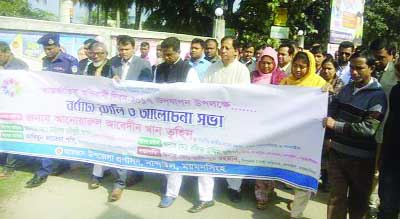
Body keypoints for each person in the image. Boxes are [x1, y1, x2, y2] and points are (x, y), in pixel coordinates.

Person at [324, 50, 387, 219]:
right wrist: (326, 95)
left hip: (361, 160)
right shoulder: (346, 89)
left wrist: (335, 125)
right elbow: (333, 110)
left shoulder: (378, 97)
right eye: (352, 68)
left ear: (372, 68)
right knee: (336, 199)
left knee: (358, 202)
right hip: (337, 154)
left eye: (359, 68)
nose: (354, 72)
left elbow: (368, 129)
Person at [25, 33, 78, 188]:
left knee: (62, 136)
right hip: (49, 105)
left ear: (57, 46)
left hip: (65, 106)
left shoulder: (70, 61)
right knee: (48, 135)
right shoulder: (44, 61)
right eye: (45, 49)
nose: (47, 51)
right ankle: (43, 171)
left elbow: (77, 84)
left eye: (50, 48)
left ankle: (62, 165)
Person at [156, 37, 203, 212]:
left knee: (175, 155)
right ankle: (169, 184)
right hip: (163, 118)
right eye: (164, 54)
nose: (166, 58)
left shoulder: (188, 70)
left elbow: (196, 96)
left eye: (169, 54)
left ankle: (171, 193)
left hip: (182, 120)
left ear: (177, 52)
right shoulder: (159, 69)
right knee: (165, 154)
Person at [104, 35, 152, 202]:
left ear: (134, 48)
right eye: (120, 49)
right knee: (119, 146)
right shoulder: (113, 63)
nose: (123, 52)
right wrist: (111, 81)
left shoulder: (144, 65)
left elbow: (147, 91)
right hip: (117, 113)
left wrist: (127, 87)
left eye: (126, 49)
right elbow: (106, 85)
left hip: (135, 114)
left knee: (135, 145)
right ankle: (119, 183)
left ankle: (137, 173)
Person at [280, 51, 327, 219]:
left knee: (304, 174)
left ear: (310, 67)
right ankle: (296, 201)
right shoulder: (285, 82)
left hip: (309, 138)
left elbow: (325, 108)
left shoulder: (319, 83)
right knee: (290, 172)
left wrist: (327, 92)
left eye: (302, 66)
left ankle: (296, 214)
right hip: (289, 135)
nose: (298, 69)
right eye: (296, 65)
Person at [204, 36, 250, 205]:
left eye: (227, 48)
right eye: (221, 47)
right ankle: (208, 191)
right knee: (211, 152)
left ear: (235, 51)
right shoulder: (211, 68)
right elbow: (205, 92)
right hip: (213, 119)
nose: (223, 50)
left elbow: (242, 96)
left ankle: (234, 188)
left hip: (233, 120)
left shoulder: (242, 70)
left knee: (233, 155)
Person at [250, 47, 285, 210]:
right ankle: (261, 196)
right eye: (263, 63)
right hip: (256, 124)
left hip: (273, 126)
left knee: (270, 159)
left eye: (269, 63)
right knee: (258, 161)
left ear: (275, 63)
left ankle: (269, 188)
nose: (265, 66)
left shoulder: (281, 78)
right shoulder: (253, 76)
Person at [368, 37, 398, 219]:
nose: (377, 61)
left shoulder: (396, 74)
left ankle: (373, 204)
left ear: (392, 55)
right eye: (375, 57)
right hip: (369, 128)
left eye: (381, 57)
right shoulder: (372, 69)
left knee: (378, 172)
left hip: (387, 132)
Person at [0, 41, 29, 180]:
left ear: (7, 52)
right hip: (4, 107)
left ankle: (9, 168)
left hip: (15, 109)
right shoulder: (4, 65)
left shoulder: (19, 66)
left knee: (12, 136)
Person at [378, 61, 400, 219]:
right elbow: (391, 125)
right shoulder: (396, 91)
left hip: (391, 157)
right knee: (388, 207)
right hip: (392, 156)